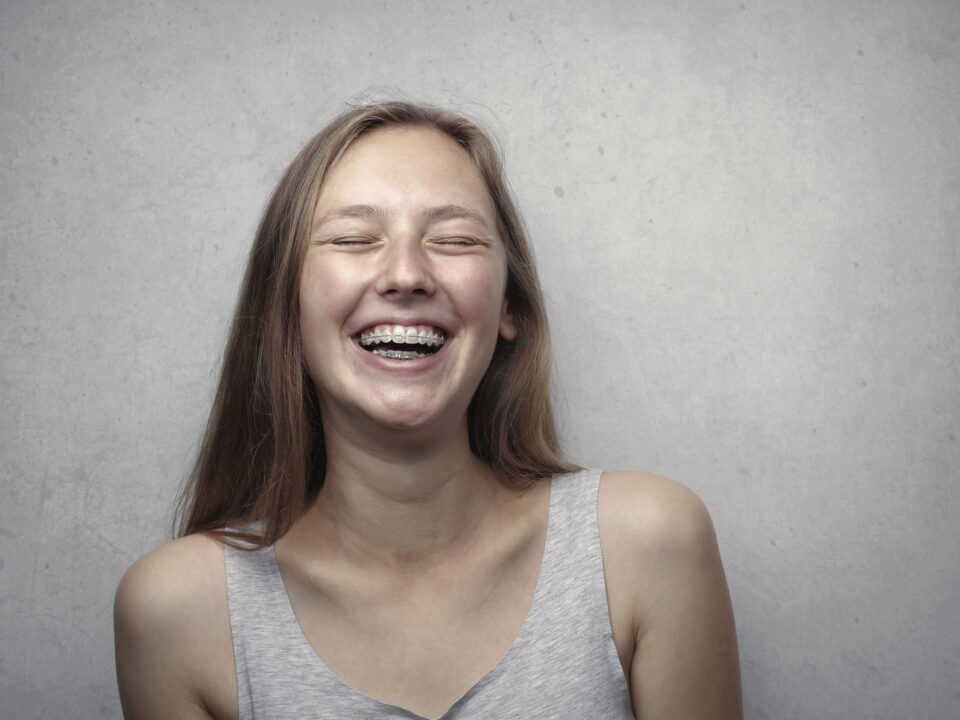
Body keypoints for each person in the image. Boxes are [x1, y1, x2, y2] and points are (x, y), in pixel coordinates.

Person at [114, 101, 742, 719]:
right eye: (355, 238)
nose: (407, 273)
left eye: (454, 239)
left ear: (508, 308)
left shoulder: (647, 544)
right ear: (285, 304)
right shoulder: (177, 613)